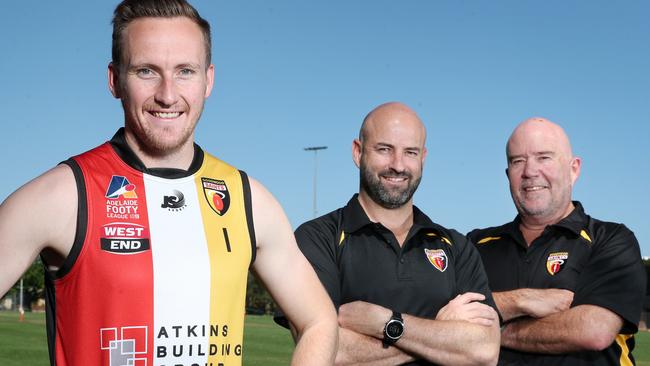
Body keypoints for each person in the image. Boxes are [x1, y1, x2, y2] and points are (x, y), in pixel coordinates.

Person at [0, 1, 337, 365]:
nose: (167, 94)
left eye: (185, 72)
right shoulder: (61, 196)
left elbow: (318, 321)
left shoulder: (247, 200)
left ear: (208, 80)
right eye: (146, 71)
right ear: (115, 80)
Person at [277, 102, 500, 365]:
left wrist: (384, 323)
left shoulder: (456, 246)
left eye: (410, 152)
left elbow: (485, 349)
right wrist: (441, 334)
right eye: (384, 149)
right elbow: (327, 350)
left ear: (423, 158)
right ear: (357, 152)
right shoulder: (318, 238)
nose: (398, 165)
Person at [468, 117, 646, 365]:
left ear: (574, 169)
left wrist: (489, 331)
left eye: (544, 157)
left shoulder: (611, 240)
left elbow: (593, 330)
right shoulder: (474, 245)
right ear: (508, 174)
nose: (530, 171)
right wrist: (522, 300)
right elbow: (438, 311)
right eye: (518, 161)